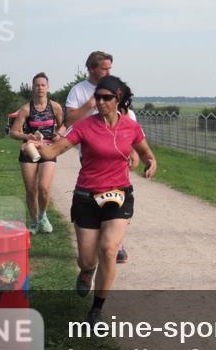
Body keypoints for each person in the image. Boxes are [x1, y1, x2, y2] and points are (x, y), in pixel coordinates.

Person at [25, 76, 156, 327]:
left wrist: (151, 162)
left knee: (108, 249)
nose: (101, 102)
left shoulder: (130, 127)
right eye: (98, 97)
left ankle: (97, 309)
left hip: (118, 195)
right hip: (86, 196)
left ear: (118, 99)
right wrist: (36, 147)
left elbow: (146, 153)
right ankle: (87, 271)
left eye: (107, 97)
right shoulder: (85, 126)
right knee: (87, 259)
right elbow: (55, 151)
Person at [65, 51, 135, 264]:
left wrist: (132, 150)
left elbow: (126, 117)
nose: (108, 71)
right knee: (96, 188)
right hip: (89, 148)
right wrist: (89, 105)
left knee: (117, 188)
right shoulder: (78, 90)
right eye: (104, 68)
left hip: (116, 148)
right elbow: (68, 120)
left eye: (109, 68)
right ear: (92, 68)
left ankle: (114, 242)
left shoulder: (112, 88)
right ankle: (95, 240)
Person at [9, 73, 65, 234]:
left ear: (47, 87)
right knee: (31, 190)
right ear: (33, 88)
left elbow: (63, 126)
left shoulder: (55, 107)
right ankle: (33, 221)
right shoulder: (26, 109)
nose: (40, 88)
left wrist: (58, 135)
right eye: (37, 85)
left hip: (48, 150)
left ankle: (43, 216)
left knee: (44, 188)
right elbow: (13, 132)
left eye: (43, 85)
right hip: (30, 150)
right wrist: (27, 136)